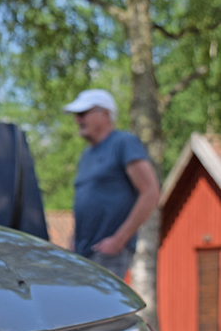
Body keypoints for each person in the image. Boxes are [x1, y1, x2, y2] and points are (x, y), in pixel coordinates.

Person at [63, 88, 160, 279]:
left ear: (105, 114)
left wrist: (118, 240)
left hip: (108, 253)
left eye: (83, 114)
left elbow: (151, 192)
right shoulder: (86, 156)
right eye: (76, 115)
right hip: (82, 253)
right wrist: (74, 238)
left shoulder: (124, 143)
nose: (77, 120)